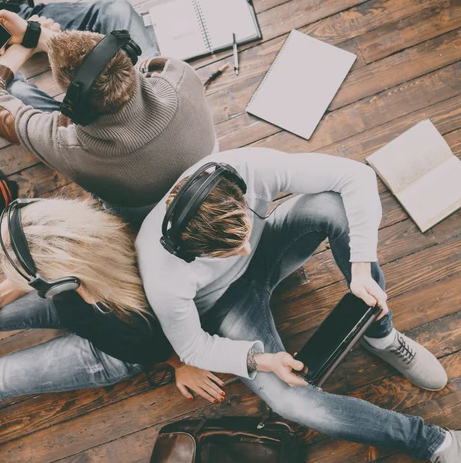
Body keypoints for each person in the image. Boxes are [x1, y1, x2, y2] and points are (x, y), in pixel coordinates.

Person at [135, 147, 459, 462]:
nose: (244, 251)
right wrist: (259, 360)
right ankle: (433, 443)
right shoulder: (162, 275)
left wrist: (361, 267)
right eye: (230, 250)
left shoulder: (243, 167)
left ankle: (381, 336)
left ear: (237, 192)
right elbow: (192, 348)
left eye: (244, 233)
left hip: (272, 246)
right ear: (187, 251)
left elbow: (357, 175)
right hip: (226, 306)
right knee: (292, 404)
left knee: (332, 206)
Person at [0, 197, 225, 462]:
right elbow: (39, 264)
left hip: (113, 352)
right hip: (78, 302)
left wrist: (180, 363)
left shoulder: (138, 322)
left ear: (58, 276)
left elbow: (164, 345)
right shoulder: (85, 238)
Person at [0, 0, 217, 224]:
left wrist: (26, 46)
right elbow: (141, 67)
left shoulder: (69, 148)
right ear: (126, 55)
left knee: (2, 84)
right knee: (117, 9)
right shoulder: (179, 75)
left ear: (71, 103)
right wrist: (42, 37)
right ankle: (25, 17)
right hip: (201, 176)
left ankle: (22, 23)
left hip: (137, 212)